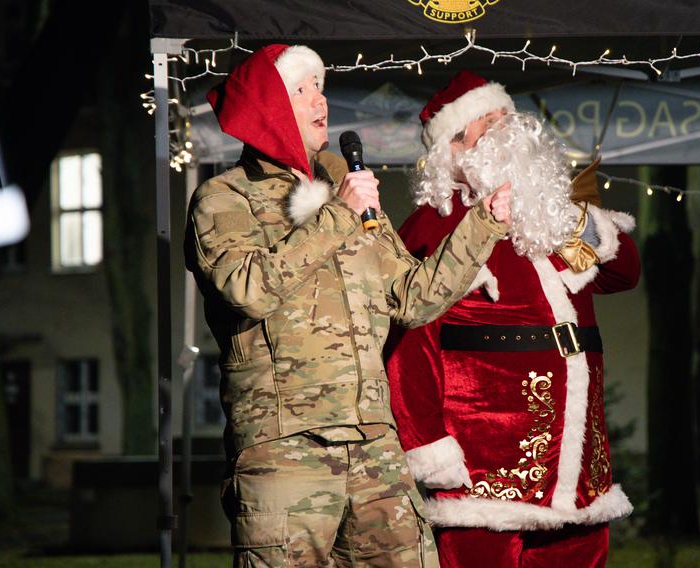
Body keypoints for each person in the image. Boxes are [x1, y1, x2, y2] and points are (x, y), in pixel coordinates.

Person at [184, 45, 512, 567]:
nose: (322, 101)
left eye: (321, 87)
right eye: (303, 90)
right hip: (286, 447)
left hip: (374, 445)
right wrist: (337, 216)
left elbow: (413, 297)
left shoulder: (349, 189)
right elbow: (247, 289)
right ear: (267, 108)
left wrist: (484, 225)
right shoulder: (224, 198)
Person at [385, 71, 640, 568]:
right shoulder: (433, 226)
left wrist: (574, 214)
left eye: (507, 117)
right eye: (489, 122)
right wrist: (428, 448)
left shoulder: (549, 217)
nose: (507, 129)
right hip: (483, 463)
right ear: (453, 148)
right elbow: (407, 345)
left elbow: (623, 273)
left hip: (577, 461)